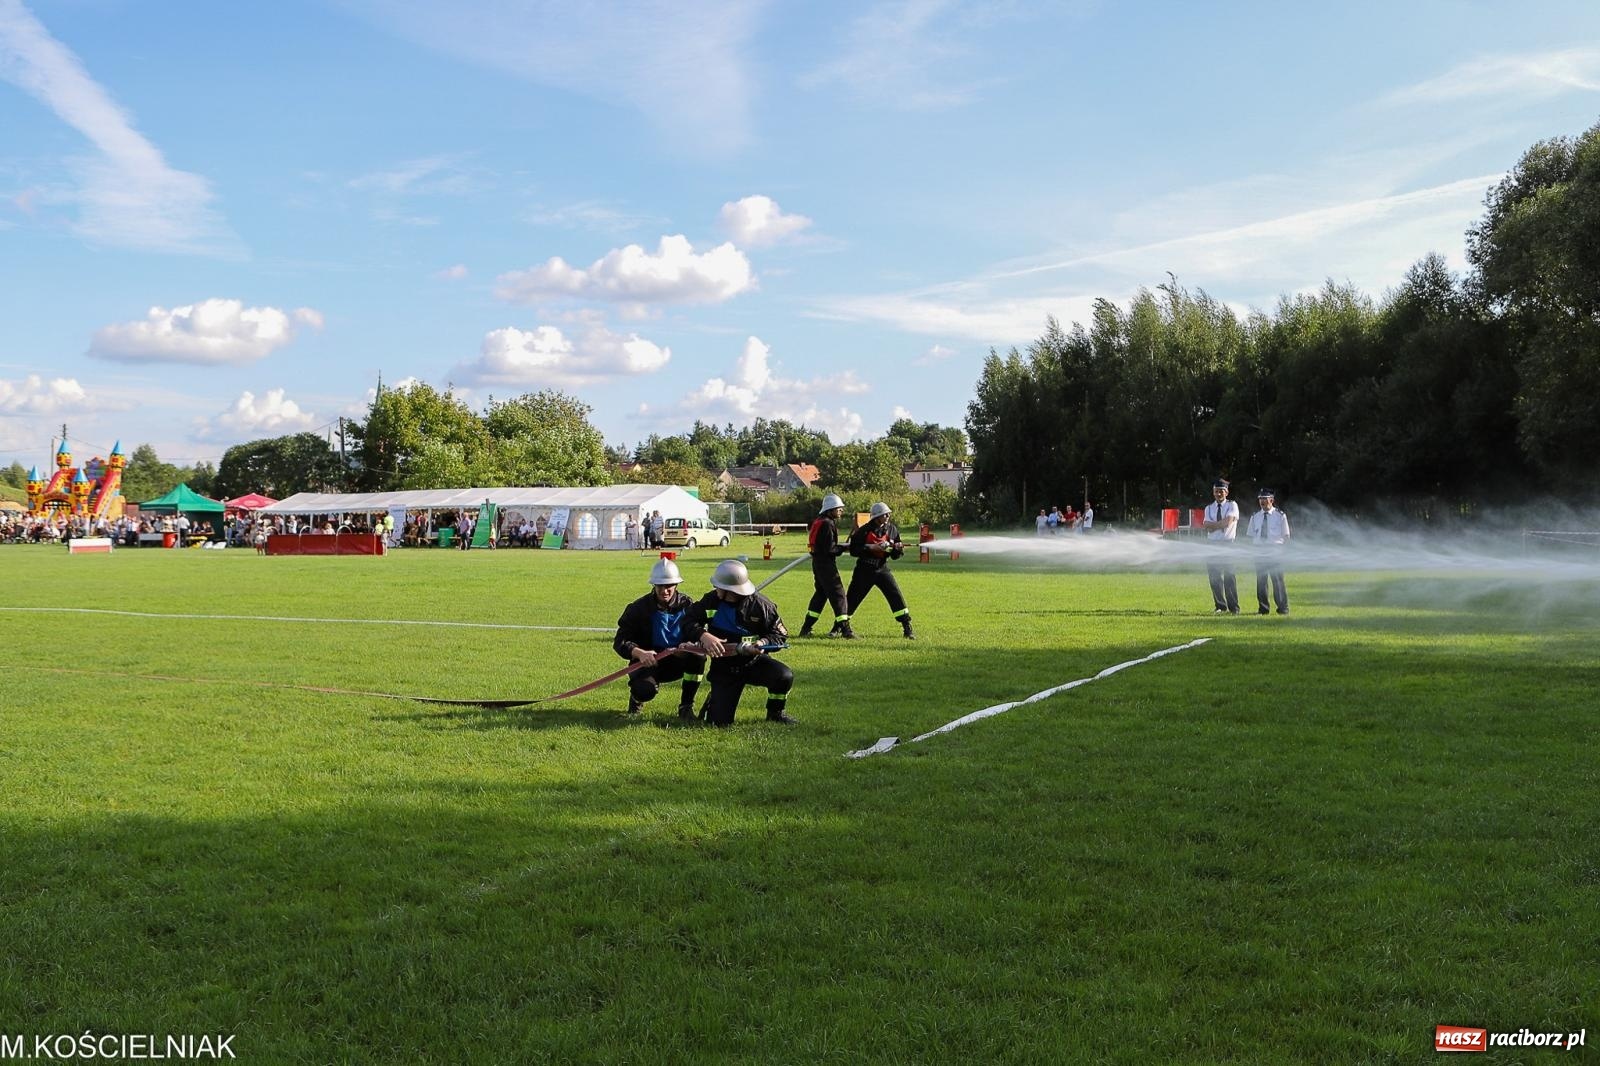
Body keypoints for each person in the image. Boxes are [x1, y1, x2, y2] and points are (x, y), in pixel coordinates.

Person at [691, 559, 794, 726]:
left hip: (753, 663)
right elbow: (688, 621)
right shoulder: (711, 601)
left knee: (783, 676)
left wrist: (763, 642)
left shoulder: (762, 606)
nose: (715, 588)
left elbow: (779, 635)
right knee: (718, 724)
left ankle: (775, 713)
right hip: (724, 668)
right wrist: (703, 635)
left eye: (718, 586)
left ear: (729, 590)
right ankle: (715, 700)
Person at [613, 558, 707, 719]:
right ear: (653, 585)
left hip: (678, 661)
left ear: (676, 585)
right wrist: (640, 653)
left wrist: (689, 646)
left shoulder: (688, 606)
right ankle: (637, 700)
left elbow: (699, 634)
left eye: (669, 586)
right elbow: (620, 641)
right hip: (647, 663)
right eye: (660, 586)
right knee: (645, 690)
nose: (665, 590)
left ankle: (686, 706)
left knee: (698, 656)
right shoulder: (638, 608)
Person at [847, 501, 915, 639]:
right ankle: (840, 627)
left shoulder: (892, 529)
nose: (888, 516)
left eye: (888, 514)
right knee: (852, 599)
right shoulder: (864, 531)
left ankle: (907, 628)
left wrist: (898, 549)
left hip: (882, 568)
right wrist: (870, 548)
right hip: (864, 569)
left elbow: (896, 556)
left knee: (895, 595)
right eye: (885, 515)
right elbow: (853, 550)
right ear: (877, 517)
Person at [799, 493, 854, 639]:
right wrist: (844, 548)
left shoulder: (819, 521)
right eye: (838, 509)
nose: (841, 511)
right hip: (826, 565)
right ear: (830, 509)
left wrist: (839, 546)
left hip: (818, 563)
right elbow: (830, 549)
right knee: (839, 595)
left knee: (821, 595)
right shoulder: (828, 523)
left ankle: (806, 628)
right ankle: (846, 630)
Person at [1246, 488, 1291, 615]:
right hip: (1259, 551)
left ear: (1272, 500)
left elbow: (1286, 536)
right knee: (1261, 581)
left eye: (1265, 499)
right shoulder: (1255, 516)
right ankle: (1263, 609)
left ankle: (1283, 609)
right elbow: (1250, 536)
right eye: (1260, 499)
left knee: (1277, 580)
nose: (1262, 501)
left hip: (1275, 550)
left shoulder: (1280, 515)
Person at [1202, 478, 1240, 614]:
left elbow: (1227, 523)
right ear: (1213, 492)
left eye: (1221, 491)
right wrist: (1219, 524)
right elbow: (1206, 526)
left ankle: (1234, 608)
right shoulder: (1209, 508)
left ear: (1227, 492)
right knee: (1214, 577)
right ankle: (1220, 607)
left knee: (1230, 577)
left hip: (1227, 544)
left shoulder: (1232, 505)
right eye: (1216, 491)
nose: (1218, 494)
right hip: (1211, 545)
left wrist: (1214, 525)